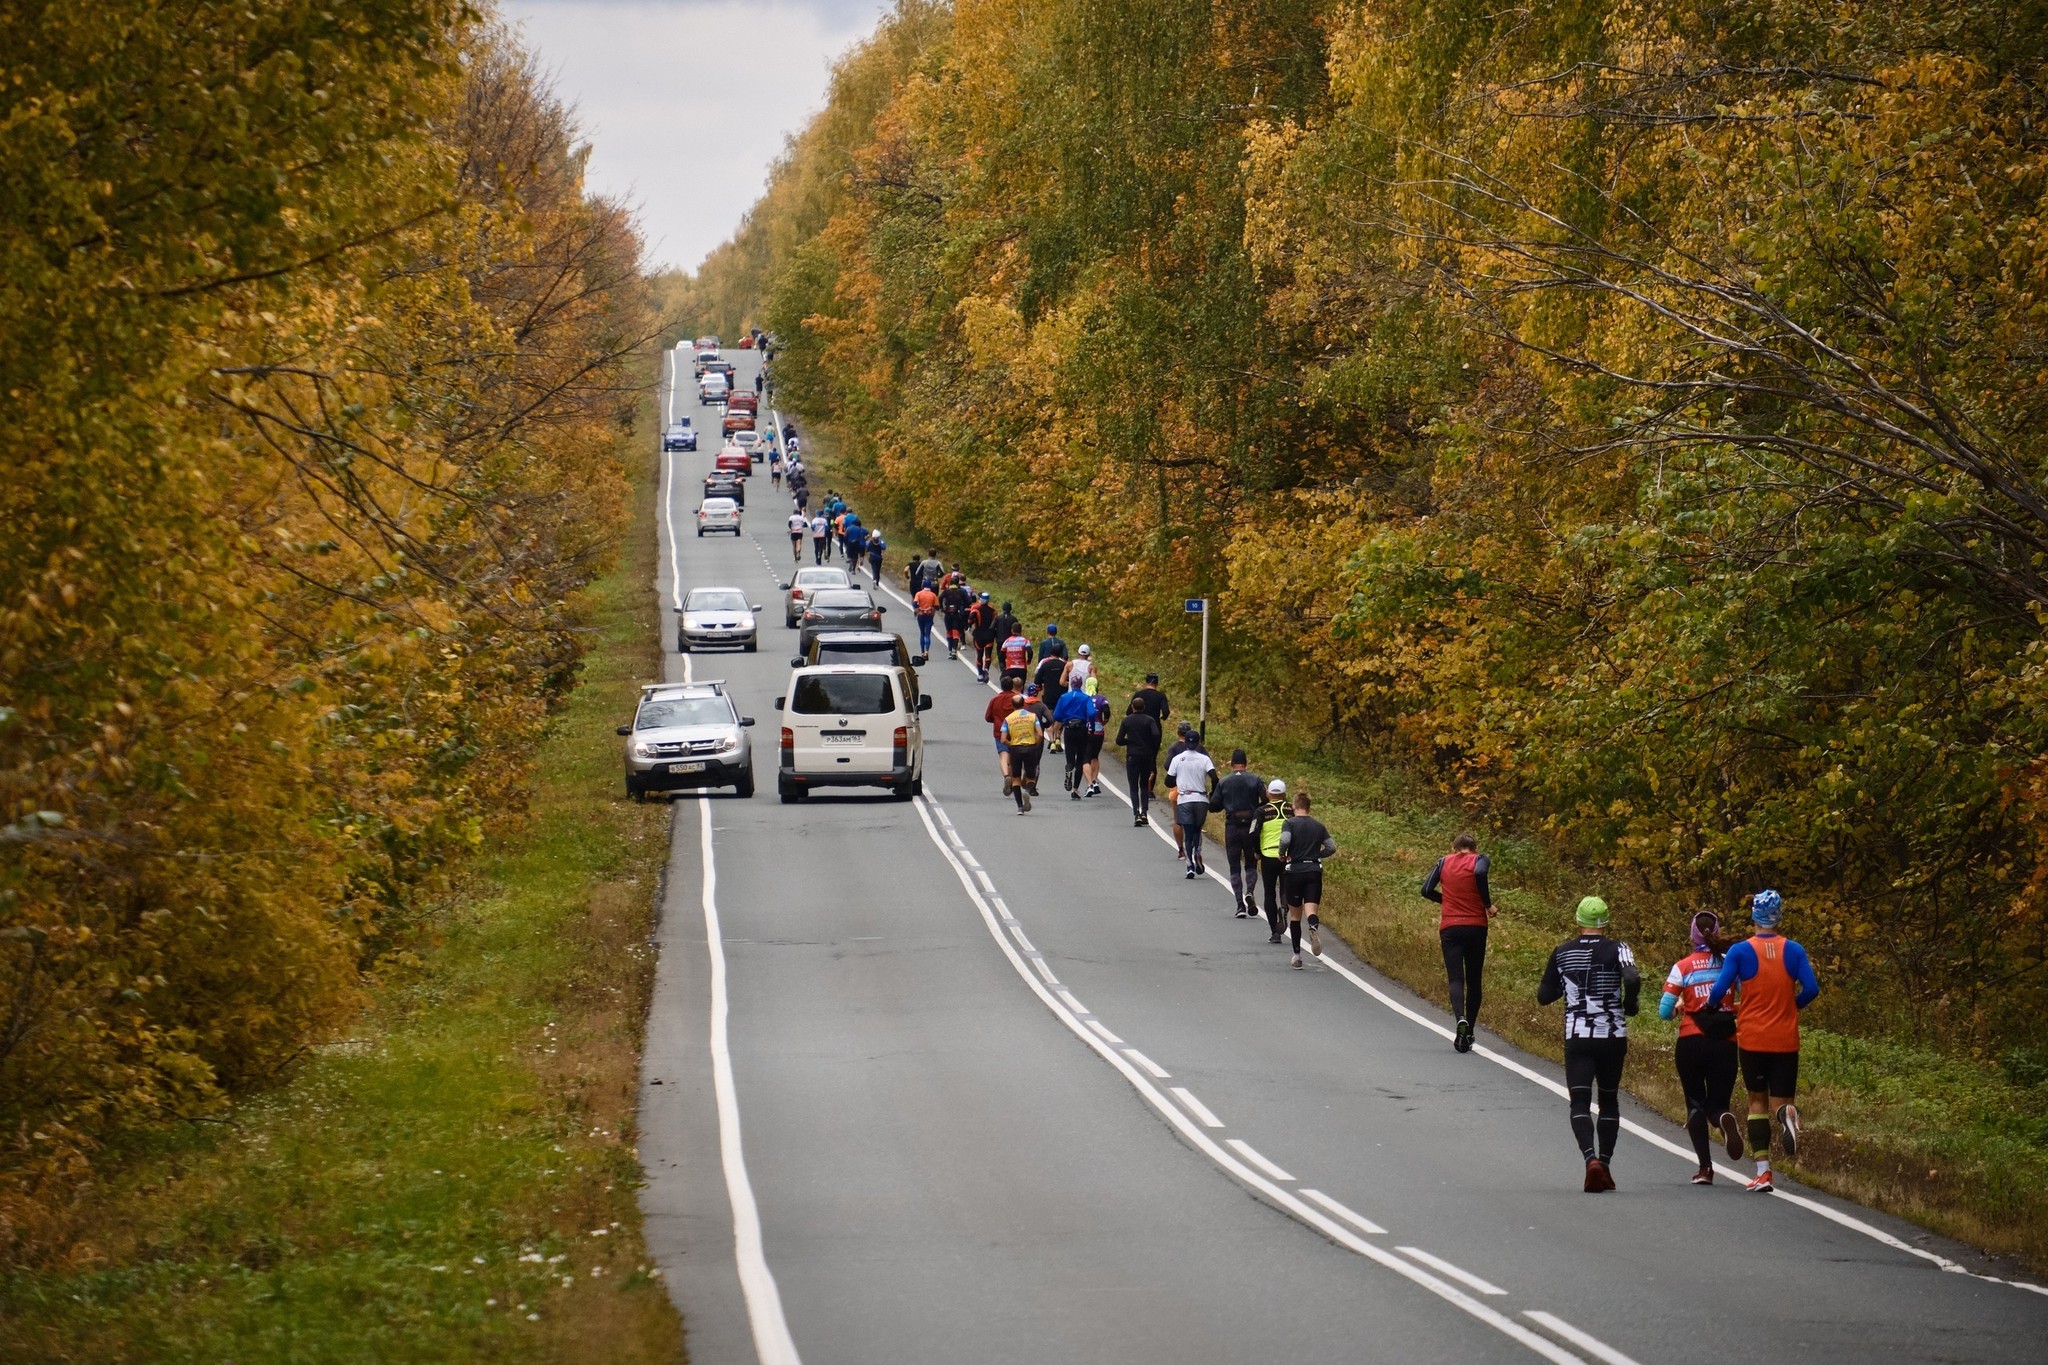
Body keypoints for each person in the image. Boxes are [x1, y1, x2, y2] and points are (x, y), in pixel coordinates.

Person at [1704, 889, 1820, 1194]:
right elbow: (1811, 988)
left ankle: (1763, 1172)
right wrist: (1792, 1004)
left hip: (1753, 1037)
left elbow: (1719, 989)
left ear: (1754, 916)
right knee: (1783, 1098)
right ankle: (1788, 1115)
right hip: (1786, 1038)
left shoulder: (1741, 951)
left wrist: (1713, 1007)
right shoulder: (1794, 951)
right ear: (1778, 916)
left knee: (1757, 1101)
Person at [1536, 897, 1641, 1192]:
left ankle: (1590, 1160)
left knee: (1580, 1101)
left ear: (1578, 920)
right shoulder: (1618, 948)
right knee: (1609, 1099)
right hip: (1611, 1035)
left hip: (1578, 1036)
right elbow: (1631, 976)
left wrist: (1570, 987)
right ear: (1605, 922)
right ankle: (1605, 1165)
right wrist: (1629, 1004)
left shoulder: (1562, 952)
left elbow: (1543, 996)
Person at [1660, 910, 1746, 1185]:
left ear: (1692, 934)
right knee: (1718, 1102)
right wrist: (1731, 1007)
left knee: (1695, 1104)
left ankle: (1705, 1169)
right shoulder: (1731, 965)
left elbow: (1663, 1011)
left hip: (1691, 1041)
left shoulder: (1682, 966)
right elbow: (1749, 998)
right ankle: (1722, 1118)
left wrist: (1679, 1007)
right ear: (1718, 932)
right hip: (1726, 1042)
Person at [1422, 833, 1496, 1054]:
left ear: (1454, 848)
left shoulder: (1443, 861)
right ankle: (1470, 1031)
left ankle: (1460, 1019)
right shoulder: (1480, 860)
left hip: (1450, 928)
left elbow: (1425, 890)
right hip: (1476, 926)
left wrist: (1446, 899)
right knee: (1474, 980)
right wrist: (1488, 904)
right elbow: (1481, 872)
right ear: (1474, 848)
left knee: (1455, 978)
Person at [1276, 791, 1333, 967]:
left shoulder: (1289, 823)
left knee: (1295, 915)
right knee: (1310, 910)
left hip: (1295, 870)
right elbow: (1332, 847)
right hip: (1314, 870)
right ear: (1309, 807)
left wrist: (1282, 854)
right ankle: (1313, 926)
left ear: (1294, 806)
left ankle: (1297, 956)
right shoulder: (1319, 826)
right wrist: (1318, 854)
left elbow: (1285, 840)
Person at [1212, 749, 1267, 919]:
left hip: (1232, 827)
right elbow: (1266, 801)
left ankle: (1239, 905)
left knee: (1234, 866)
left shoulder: (1224, 782)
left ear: (1231, 764)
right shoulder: (1255, 780)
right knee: (1251, 863)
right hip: (1251, 827)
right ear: (1246, 764)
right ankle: (1249, 891)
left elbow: (1214, 806)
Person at [1165, 734, 1216, 880]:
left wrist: (1179, 779)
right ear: (1199, 742)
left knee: (1187, 833)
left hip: (1185, 799)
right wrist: (1212, 792)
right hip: (1201, 799)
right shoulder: (1204, 759)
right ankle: (1197, 851)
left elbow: (1168, 781)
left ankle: (1189, 866)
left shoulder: (1178, 759)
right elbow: (1214, 777)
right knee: (1197, 830)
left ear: (1185, 743)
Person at [1114, 700, 1161, 827]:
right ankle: (1145, 812)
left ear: (1132, 707)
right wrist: (1149, 743)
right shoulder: (1149, 720)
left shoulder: (1127, 720)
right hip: (1146, 755)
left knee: (1133, 786)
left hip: (1132, 755)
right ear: (1144, 707)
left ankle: (1136, 814)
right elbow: (1156, 734)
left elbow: (1118, 740)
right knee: (1144, 785)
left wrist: (1129, 742)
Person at [1253, 779, 1290, 943]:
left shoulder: (1261, 811)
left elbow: (1253, 832)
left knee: (1269, 892)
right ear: (1284, 794)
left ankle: (1275, 931)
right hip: (1288, 856)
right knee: (1285, 887)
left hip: (1268, 856)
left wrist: (1257, 852)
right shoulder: (1291, 809)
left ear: (1268, 793)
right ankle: (1284, 906)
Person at [1000, 694, 1044, 813]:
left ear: (1012, 706)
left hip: (1015, 749)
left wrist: (1012, 744)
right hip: (1030, 747)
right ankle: (1027, 791)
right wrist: (1035, 743)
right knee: (1031, 777)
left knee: (1016, 779)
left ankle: (1019, 807)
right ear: (1023, 704)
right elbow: (1040, 734)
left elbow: (1003, 739)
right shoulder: (1032, 717)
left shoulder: (1008, 719)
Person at [1053, 676, 1094, 797]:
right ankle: (1075, 789)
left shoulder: (1064, 697)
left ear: (1071, 683)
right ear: (1081, 684)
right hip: (1081, 728)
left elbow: (1056, 715)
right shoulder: (1086, 698)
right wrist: (1090, 725)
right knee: (1080, 759)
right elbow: (1091, 713)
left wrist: (1063, 719)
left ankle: (1069, 767)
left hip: (1069, 728)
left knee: (1069, 755)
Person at [1162, 721, 1197, 861]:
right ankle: (1194, 848)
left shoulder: (1174, 748)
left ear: (1178, 733)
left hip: (1178, 788)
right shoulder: (1198, 748)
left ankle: (1181, 850)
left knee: (1178, 820)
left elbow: (1166, 765)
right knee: (1195, 821)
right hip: (1195, 789)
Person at [984, 679, 1023, 791]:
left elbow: (988, 717)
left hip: (999, 731)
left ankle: (1006, 776)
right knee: (1012, 757)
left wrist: (996, 720)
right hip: (1015, 730)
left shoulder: (995, 699)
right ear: (1012, 686)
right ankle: (1011, 780)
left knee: (1003, 755)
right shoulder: (1016, 699)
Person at [1082, 677, 1109, 796]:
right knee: (1095, 756)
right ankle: (1095, 780)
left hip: (1086, 731)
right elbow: (1107, 712)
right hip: (1099, 731)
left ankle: (1090, 785)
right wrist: (1104, 722)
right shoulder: (1102, 699)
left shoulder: (1084, 699)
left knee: (1085, 758)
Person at [940, 576, 974, 661]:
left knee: (949, 632)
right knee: (955, 632)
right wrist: (963, 605)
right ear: (958, 582)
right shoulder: (961, 591)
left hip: (948, 613)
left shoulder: (946, 591)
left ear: (950, 583)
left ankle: (950, 650)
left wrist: (942, 608)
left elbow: (940, 598)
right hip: (957, 614)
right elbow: (969, 601)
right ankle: (954, 650)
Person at [969, 592, 998, 682]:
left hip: (979, 635)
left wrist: (970, 625)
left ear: (980, 599)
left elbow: (970, 620)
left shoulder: (976, 610)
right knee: (988, 654)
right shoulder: (993, 611)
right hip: (989, 635)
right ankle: (986, 669)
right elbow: (995, 623)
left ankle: (980, 674)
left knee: (979, 655)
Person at [998, 625, 1032, 690]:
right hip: (1021, 668)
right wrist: (1028, 661)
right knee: (1020, 688)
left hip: (1010, 668)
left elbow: (1001, 655)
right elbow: (1030, 652)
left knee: (1009, 689)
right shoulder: (1025, 641)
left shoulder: (1007, 641)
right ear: (1021, 630)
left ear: (1012, 630)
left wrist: (1003, 665)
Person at [912, 581, 939, 655]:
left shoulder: (919, 594)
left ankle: (922, 651)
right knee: (927, 634)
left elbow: (914, 603)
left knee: (922, 633)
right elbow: (937, 606)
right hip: (929, 615)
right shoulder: (933, 595)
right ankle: (927, 651)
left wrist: (919, 608)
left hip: (921, 614)